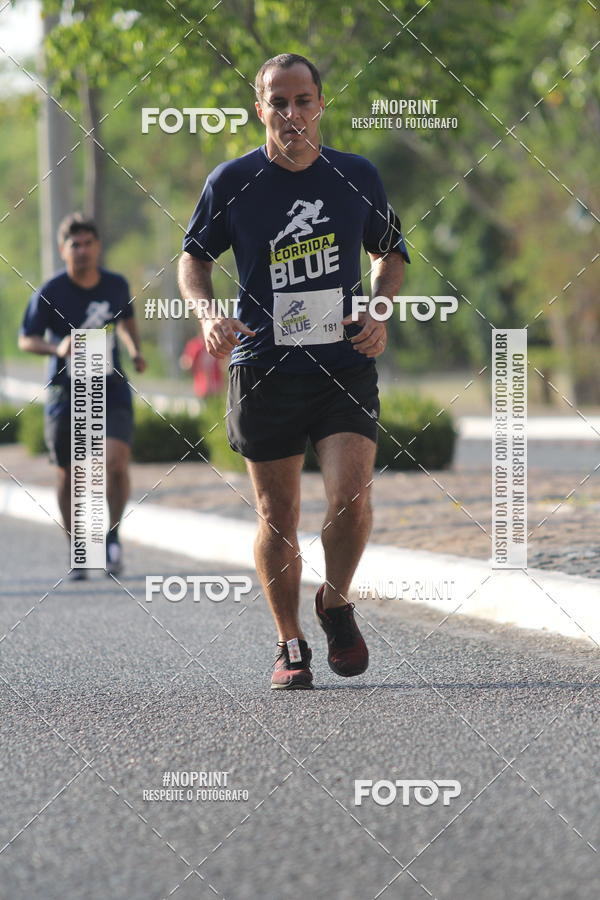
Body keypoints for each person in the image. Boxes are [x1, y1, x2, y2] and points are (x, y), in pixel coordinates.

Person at [178, 53, 409, 689]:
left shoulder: (356, 175)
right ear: (261, 110)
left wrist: (379, 310)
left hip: (343, 363)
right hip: (265, 369)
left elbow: (390, 253)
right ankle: (290, 644)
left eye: (303, 100)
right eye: (278, 102)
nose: (292, 113)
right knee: (277, 515)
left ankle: (335, 603)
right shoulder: (232, 182)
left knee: (351, 498)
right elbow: (192, 259)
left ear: (320, 104)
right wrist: (206, 314)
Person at [18, 212, 146, 579]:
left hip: (111, 386)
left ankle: (113, 538)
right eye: (76, 245)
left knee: (116, 461)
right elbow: (26, 338)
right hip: (66, 392)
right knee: (69, 476)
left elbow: (126, 322)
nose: (83, 250)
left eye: (89, 243)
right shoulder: (50, 291)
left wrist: (135, 350)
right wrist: (57, 348)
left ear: (98, 247)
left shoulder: (116, 285)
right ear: (63, 250)